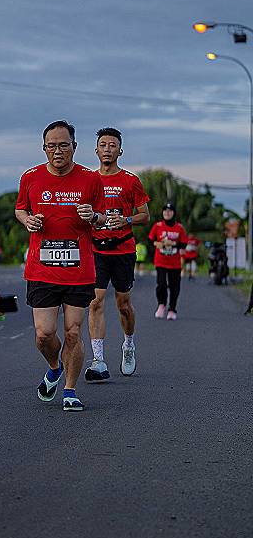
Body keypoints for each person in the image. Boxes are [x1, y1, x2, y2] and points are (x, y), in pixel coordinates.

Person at [15, 120, 106, 412]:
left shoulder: (91, 179)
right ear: (44, 148)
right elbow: (20, 208)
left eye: (63, 145)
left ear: (74, 147)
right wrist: (28, 220)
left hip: (79, 270)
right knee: (44, 334)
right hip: (42, 269)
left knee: (73, 332)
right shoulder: (30, 177)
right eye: (51, 146)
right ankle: (55, 367)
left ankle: (69, 390)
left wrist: (93, 216)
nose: (57, 151)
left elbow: (103, 218)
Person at [85, 128, 150, 382]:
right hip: (97, 249)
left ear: (120, 151)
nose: (107, 149)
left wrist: (126, 220)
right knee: (95, 302)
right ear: (96, 150)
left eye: (112, 145)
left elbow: (145, 215)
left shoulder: (130, 180)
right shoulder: (89, 180)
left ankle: (128, 344)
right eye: (103, 145)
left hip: (123, 249)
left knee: (123, 305)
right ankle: (98, 360)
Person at [148, 203, 188, 320]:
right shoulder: (157, 226)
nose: (167, 213)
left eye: (170, 211)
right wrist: (157, 243)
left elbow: (184, 244)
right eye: (165, 211)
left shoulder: (179, 228)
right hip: (160, 261)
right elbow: (150, 240)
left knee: (174, 286)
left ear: (174, 213)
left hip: (174, 263)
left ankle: (172, 309)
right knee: (161, 284)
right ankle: (161, 304)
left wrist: (173, 243)